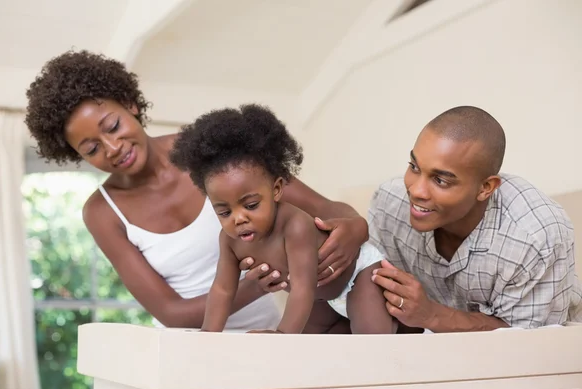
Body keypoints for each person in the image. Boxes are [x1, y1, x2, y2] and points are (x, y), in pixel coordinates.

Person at [24, 50, 368, 331]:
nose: (112, 147)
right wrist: (251, 286)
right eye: (92, 149)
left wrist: (354, 228)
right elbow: (171, 313)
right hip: (190, 350)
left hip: (264, 338)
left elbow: (331, 210)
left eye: (112, 126)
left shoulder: (208, 152)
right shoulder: (102, 212)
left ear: (130, 104)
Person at [169, 104, 394, 334]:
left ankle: (401, 327)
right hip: (321, 298)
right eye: (224, 212)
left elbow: (301, 288)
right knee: (305, 356)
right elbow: (222, 291)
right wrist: (207, 335)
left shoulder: (294, 225)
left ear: (276, 189)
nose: (238, 218)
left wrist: (282, 336)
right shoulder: (228, 240)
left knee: (371, 339)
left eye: (251, 205)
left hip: (357, 276)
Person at [368, 106, 582, 332]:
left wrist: (431, 316)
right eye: (414, 167)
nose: (416, 191)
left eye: (440, 180)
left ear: (485, 188)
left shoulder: (534, 236)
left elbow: (530, 347)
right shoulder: (389, 204)